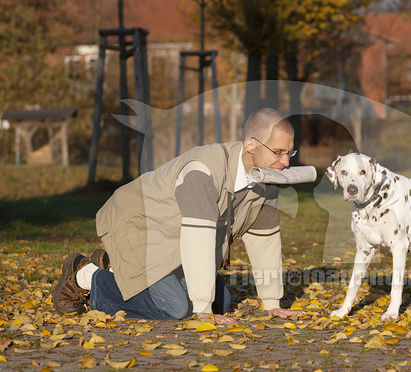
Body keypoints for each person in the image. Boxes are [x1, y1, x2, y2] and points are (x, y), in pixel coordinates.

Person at [52, 108, 305, 324]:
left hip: (175, 239)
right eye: (278, 152)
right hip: (139, 226)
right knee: (177, 309)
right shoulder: (202, 172)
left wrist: (272, 302)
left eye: (289, 153)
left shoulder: (267, 180)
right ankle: (85, 274)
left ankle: (115, 264)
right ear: (251, 143)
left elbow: (265, 241)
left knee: (223, 303)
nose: (286, 163)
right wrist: (203, 310)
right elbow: (199, 239)